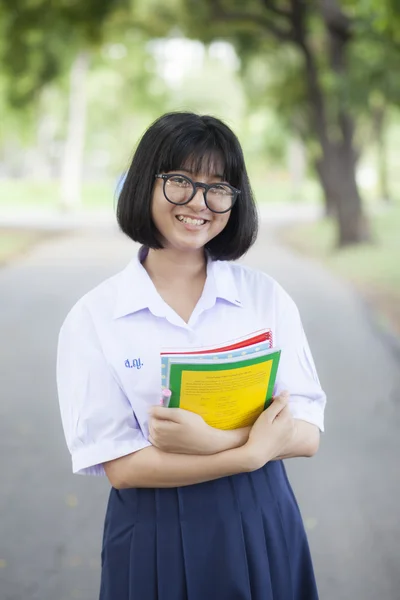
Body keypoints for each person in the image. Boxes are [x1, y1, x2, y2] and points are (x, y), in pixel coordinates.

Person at [57, 112, 326, 600]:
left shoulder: (265, 298)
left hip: (261, 516)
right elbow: (121, 466)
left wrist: (215, 441)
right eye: (180, 181)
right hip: (153, 527)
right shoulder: (95, 317)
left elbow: (307, 431)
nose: (198, 203)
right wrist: (247, 453)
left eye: (217, 187)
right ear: (145, 184)